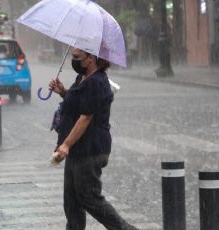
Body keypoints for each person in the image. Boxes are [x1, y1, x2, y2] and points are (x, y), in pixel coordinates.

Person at [48, 48, 138, 230]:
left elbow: (86, 117)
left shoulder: (97, 82)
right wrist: (64, 92)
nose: (73, 61)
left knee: (89, 198)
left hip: (90, 149)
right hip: (78, 148)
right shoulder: (83, 78)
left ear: (91, 58)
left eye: (77, 57)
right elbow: (78, 104)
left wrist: (66, 144)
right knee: (71, 201)